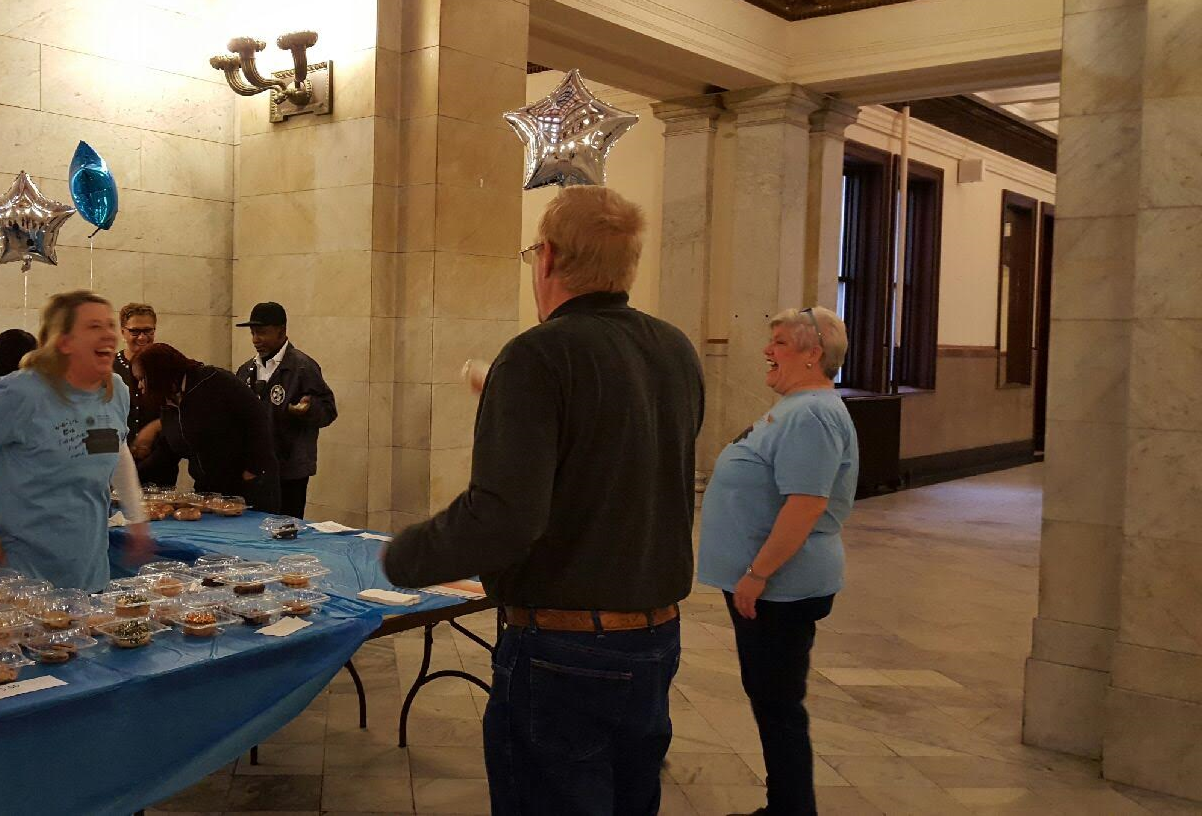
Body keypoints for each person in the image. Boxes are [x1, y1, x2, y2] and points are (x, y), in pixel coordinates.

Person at [382, 186, 703, 816]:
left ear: (548, 257)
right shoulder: (674, 348)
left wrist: (399, 556)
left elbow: (503, 519)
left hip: (566, 652)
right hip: (655, 637)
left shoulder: (538, 353)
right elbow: (621, 459)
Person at [697, 307, 858, 816]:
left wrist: (758, 573)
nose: (768, 351)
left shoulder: (811, 413)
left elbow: (806, 503)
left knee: (779, 705)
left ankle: (791, 810)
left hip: (781, 588)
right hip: (772, 586)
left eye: (781, 343)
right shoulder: (797, 407)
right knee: (771, 699)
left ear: (814, 354)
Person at [0, 290, 150, 591]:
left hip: (84, 568)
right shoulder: (20, 392)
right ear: (64, 342)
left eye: (109, 325)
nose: (108, 335)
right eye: (93, 327)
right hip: (19, 571)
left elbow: (116, 450)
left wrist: (136, 517)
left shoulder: (114, 389)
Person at [135, 342, 281, 513]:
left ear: (158, 375)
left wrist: (252, 470)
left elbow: (257, 420)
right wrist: (131, 478)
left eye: (142, 378)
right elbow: (167, 452)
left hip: (249, 489)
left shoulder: (214, 381)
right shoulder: (169, 403)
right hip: (209, 493)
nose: (140, 386)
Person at [234, 302, 337, 519]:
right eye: (252, 333)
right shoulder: (246, 370)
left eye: (262, 332)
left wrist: (308, 410)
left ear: (281, 331)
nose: (255, 339)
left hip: (289, 472)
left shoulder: (302, 366)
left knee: (284, 533)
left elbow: (328, 411)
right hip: (255, 470)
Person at [110, 302, 178, 487]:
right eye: (135, 331)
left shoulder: (169, 366)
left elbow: (183, 411)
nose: (142, 337)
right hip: (115, 463)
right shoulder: (108, 367)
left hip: (160, 462)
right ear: (123, 332)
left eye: (148, 331)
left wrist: (155, 427)